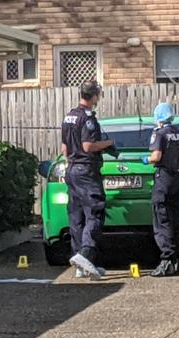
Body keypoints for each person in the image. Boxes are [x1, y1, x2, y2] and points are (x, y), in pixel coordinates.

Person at [61, 80, 115, 279]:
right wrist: (108, 143)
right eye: (98, 95)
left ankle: (82, 264)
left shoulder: (69, 116)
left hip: (72, 169)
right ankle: (86, 253)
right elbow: (87, 146)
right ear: (94, 96)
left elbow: (65, 149)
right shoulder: (87, 118)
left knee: (77, 216)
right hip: (87, 170)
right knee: (95, 211)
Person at [141, 103, 179, 277]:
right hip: (178, 179)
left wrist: (146, 160)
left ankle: (167, 260)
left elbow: (156, 156)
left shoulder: (159, 133)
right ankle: (178, 260)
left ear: (159, 117)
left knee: (162, 218)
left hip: (163, 179)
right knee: (178, 219)